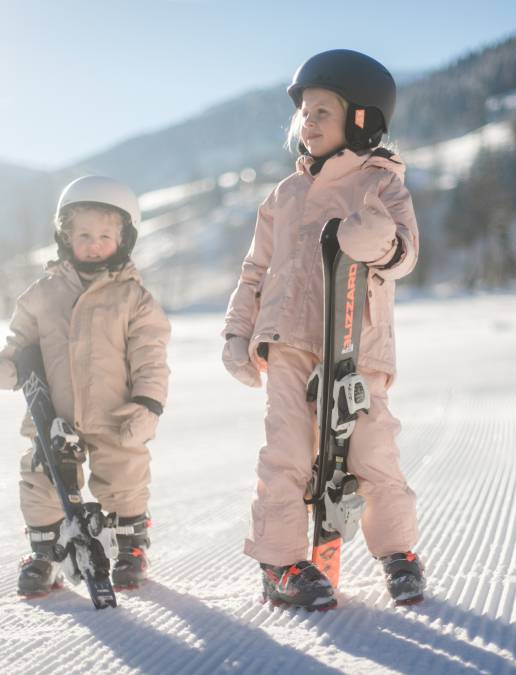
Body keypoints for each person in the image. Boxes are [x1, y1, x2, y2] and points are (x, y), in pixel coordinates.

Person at [222, 49, 425, 609]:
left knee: (372, 451)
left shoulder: (381, 186)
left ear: (361, 120)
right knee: (286, 451)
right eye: (303, 114)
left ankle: (398, 553)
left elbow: (405, 254)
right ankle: (281, 563)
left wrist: (379, 241)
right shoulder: (283, 196)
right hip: (288, 345)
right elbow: (255, 271)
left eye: (321, 113)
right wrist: (238, 333)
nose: (306, 124)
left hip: (356, 347)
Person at [0, 175, 171, 597]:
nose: (93, 243)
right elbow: (20, 342)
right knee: (40, 479)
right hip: (54, 414)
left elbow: (151, 357)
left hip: (116, 412)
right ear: (64, 236)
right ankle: (45, 553)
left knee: (123, 477)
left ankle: (131, 548)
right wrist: (7, 365)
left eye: (105, 235)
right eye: (83, 234)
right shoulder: (43, 293)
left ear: (124, 240)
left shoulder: (133, 298)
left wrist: (148, 404)